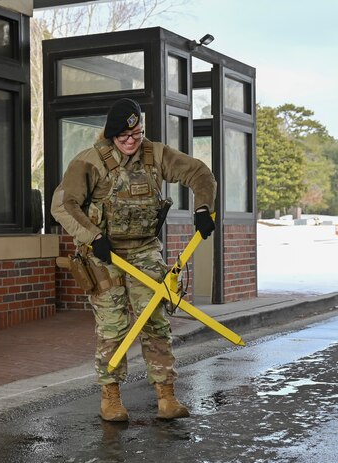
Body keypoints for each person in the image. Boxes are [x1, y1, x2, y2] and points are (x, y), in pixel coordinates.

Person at [51, 98, 216, 421]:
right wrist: (92, 237)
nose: (131, 141)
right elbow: (64, 205)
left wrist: (202, 208)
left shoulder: (156, 155)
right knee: (113, 326)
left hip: (143, 250)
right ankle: (110, 397)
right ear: (111, 135)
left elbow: (199, 173)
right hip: (103, 254)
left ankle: (166, 397)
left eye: (137, 134)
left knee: (155, 321)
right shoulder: (89, 162)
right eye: (124, 136)